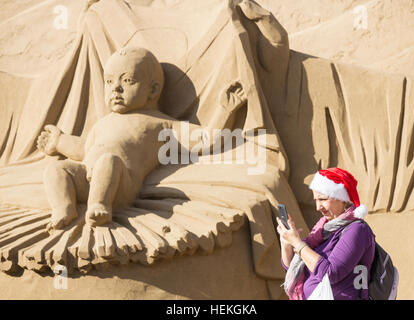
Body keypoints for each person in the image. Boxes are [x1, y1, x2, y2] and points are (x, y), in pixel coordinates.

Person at [36, 47, 246, 230]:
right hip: (86, 177)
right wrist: (59, 142)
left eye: (127, 81)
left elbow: (204, 140)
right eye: (109, 81)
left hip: (120, 184)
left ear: (152, 90)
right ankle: (64, 208)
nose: (116, 88)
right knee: (56, 169)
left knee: (108, 161)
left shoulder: (160, 123)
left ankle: (99, 206)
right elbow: (84, 149)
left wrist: (225, 111)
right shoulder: (103, 123)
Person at [276, 168, 375, 300]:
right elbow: (292, 268)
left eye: (323, 199)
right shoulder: (323, 230)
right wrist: (287, 243)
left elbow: (330, 274)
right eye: (316, 200)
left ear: (343, 199)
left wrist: (298, 244)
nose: (318, 207)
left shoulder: (357, 229)